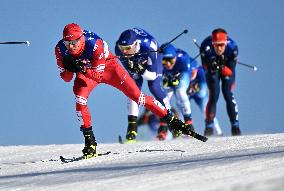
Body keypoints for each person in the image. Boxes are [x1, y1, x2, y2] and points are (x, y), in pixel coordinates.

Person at [55, 23, 193, 158]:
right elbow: (66, 78)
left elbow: (98, 76)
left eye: (74, 42)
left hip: (109, 69)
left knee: (137, 96)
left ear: (81, 38)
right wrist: (69, 68)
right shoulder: (60, 49)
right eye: (67, 43)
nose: (71, 47)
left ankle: (173, 121)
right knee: (79, 100)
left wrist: (81, 68)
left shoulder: (94, 42)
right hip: (86, 74)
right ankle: (90, 142)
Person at [115, 28, 171, 141]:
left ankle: (168, 121)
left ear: (135, 44)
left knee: (154, 87)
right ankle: (132, 128)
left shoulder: (149, 46)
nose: (124, 52)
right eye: (122, 48)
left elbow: (152, 76)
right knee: (133, 91)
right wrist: (135, 69)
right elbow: (132, 71)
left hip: (151, 59)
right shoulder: (118, 49)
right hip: (137, 60)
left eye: (127, 48)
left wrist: (141, 70)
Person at [200, 28, 241, 136]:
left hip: (226, 67)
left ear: (226, 43)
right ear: (212, 43)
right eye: (216, 45)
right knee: (214, 95)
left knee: (227, 93)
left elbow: (230, 72)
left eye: (222, 45)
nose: (219, 48)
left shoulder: (233, 47)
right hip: (212, 69)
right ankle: (209, 126)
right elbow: (204, 67)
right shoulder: (205, 46)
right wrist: (211, 65)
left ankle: (235, 126)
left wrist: (221, 67)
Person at [161, 43, 196, 137]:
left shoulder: (183, 57)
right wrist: (166, 81)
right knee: (164, 98)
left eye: (171, 60)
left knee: (180, 92)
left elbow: (187, 74)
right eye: (164, 60)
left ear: (175, 57)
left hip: (181, 75)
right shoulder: (157, 59)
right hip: (168, 77)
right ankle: (164, 125)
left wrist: (178, 80)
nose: (168, 64)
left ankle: (188, 122)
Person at [187, 65, 223, 136]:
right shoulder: (183, 73)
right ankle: (185, 132)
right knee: (183, 109)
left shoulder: (201, 72)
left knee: (207, 110)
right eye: (190, 72)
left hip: (199, 95)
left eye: (193, 71)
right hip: (188, 94)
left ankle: (218, 132)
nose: (192, 74)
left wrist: (193, 89)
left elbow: (202, 93)